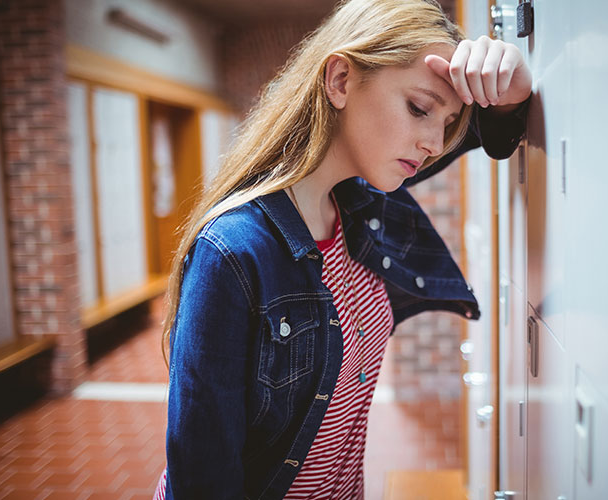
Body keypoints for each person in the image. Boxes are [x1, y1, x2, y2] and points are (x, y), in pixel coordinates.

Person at [154, 0, 532, 498]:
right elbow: (202, 478)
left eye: (446, 122)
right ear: (339, 81)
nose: (434, 143)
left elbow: (494, 129)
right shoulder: (234, 252)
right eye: (419, 109)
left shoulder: (360, 202)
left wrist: (515, 83)